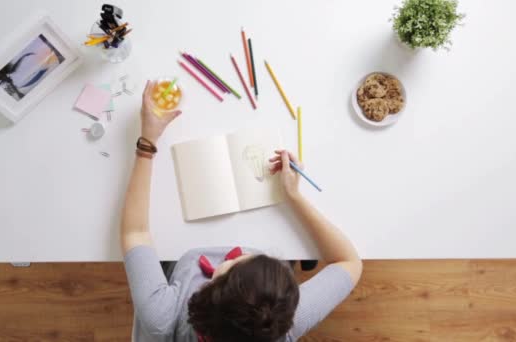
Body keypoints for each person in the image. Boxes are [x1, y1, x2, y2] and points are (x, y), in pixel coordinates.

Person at [122, 82, 362, 342]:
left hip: (181, 257)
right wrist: (294, 196)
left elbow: (135, 232)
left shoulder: (163, 317)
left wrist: (147, 142)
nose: (245, 253)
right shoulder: (279, 322)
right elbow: (348, 261)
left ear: (208, 293)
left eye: (235, 263)